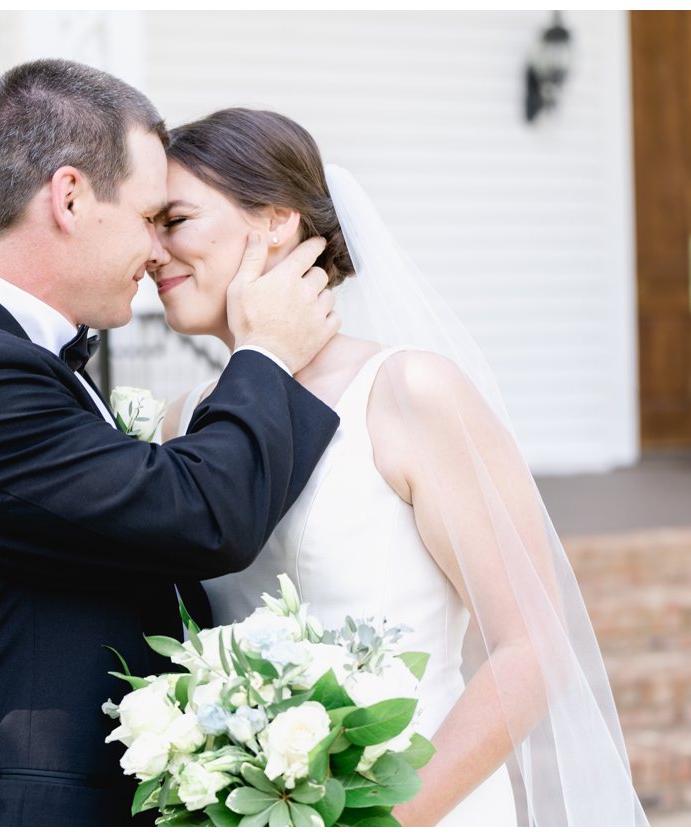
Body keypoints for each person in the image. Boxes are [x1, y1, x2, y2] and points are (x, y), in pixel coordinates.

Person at [0, 60, 342, 826]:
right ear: (70, 198)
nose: (155, 254)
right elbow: (202, 514)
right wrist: (264, 351)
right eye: (148, 218)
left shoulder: (8, 362)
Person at [150, 108, 646, 826]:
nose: (154, 251)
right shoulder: (182, 422)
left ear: (276, 224)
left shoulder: (408, 393)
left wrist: (381, 819)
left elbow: (533, 646)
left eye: (176, 220)